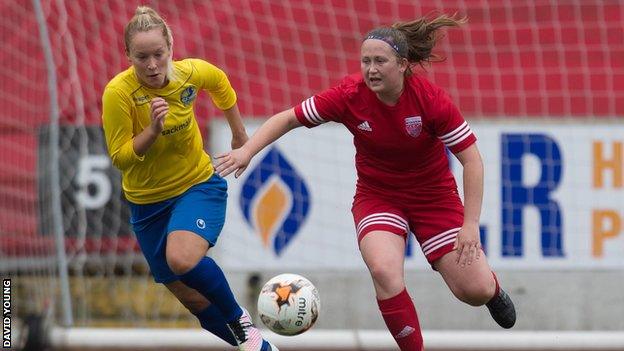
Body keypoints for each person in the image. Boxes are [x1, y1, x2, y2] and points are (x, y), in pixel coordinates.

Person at [216, 14, 516, 351]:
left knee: (472, 291)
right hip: (379, 197)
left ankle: (492, 289)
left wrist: (470, 223)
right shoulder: (348, 95)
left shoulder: (431, 101)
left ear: (402, 65)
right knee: (384, 270)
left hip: (434, 199)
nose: (371, 69)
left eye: (380, 61)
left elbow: (471, 159)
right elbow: (288, 118)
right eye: (365, 61)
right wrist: (248, 151)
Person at [101, 6, 278, 351]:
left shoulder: (191, 73)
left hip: (197, 185)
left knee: (181, 260)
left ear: (170, 46)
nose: (152, 65)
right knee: (194, 301)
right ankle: (261, 347)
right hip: (146, 205)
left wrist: (240, 135)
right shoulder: (118, 93)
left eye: (158, 54)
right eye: (141, 57)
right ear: (128, 56)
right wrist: (152, 130)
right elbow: (120, 158)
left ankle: (241, 323)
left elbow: (220, 83)